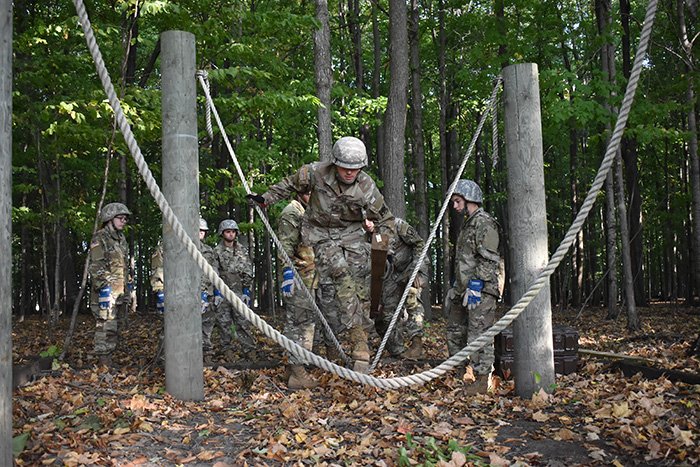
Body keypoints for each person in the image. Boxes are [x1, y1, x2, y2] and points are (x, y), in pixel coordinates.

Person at [248, 136, 395, 372]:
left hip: (351, 234)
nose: (350, 173)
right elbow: (288, 185)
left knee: (360, 286)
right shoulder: (315, 172)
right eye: (345, 168)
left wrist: (384, 247)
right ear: (335, 163)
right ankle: (359, 343)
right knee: (341, 275)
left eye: (355, 169)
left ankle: (359, 338)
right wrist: (265, 199)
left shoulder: (366, 186)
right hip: (320, 234)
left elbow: (385, 218)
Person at [447, 180, 505, 393]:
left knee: (479, 334)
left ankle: (482, 380)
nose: (455, 206)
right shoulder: (468, 223)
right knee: (455, 330)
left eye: (457, 201)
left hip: (482, 289)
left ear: (469, 199)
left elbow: (489, 259)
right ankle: (460, 372)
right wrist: (458, 285)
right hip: (464, 288)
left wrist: (476, 284)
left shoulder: (484, 223)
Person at [277, 193, 320, 389]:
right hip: (298, 276)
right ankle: (297, 371)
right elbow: (285, 246)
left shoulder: (310, 211)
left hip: (310, 276)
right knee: (299, 323)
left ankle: (292, 369)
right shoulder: (292, 212)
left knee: (306, 322)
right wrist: (287, 273)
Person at [376, 217, 429, 360]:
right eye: (364, 220)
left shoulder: (397, 225)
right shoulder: (366, 235)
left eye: (370, 219)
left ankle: (416, 346)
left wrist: (417, 269)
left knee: (413, 301)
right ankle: (398, 350)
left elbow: (419, 244)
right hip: (391, 275)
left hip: (411, 268)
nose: (367, 223)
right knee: (387, 312)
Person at [89, 202, 131, 367]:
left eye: (125, 219)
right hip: (106, 291)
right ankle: (103, 362)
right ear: (109, 218)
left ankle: (109, 359)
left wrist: (129, 289)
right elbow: (96, 266)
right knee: (105, 326)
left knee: (115, 326)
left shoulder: (121, 239)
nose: (123, 221)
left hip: (119, 291)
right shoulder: (100, 237)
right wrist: (104, 289)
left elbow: (125, 266)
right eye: (120, 218)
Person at [209, 219, 258, 360]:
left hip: (239, 290)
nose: (230, 234)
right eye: (227, 232)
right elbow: (213, 273)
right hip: (223, 290)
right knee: (224, 323)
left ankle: (249, 349)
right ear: (222, 233)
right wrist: (217, 293)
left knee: (243, 321)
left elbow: (248, 270)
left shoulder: (242, 250)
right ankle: (227, 349)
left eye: (233, 232)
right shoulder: (216, 252)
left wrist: (246, 291)